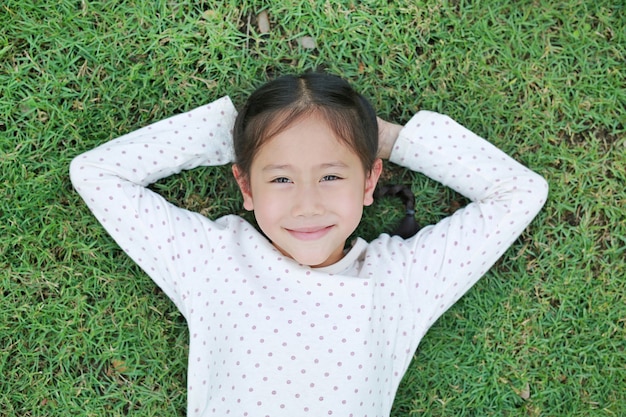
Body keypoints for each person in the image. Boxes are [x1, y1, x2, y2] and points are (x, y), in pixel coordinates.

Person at [70, 72, 548, 416]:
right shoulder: (213, 260)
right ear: (247, 188)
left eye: (332, 175)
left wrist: (382, 137)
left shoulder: (400, 281)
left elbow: (519, 193)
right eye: (280, 177)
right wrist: (241, 132)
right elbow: (96, 174)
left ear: (369, 182)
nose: (307, 205)